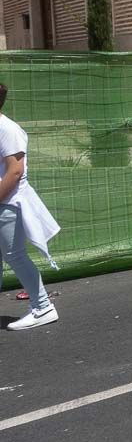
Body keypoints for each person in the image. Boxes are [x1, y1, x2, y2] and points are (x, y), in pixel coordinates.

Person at [0, 83, 61, 330]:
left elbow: (15, 171)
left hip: (9, 203)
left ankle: (43, 307)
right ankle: (41, 305)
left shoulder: (7, 129)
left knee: (15, 256)